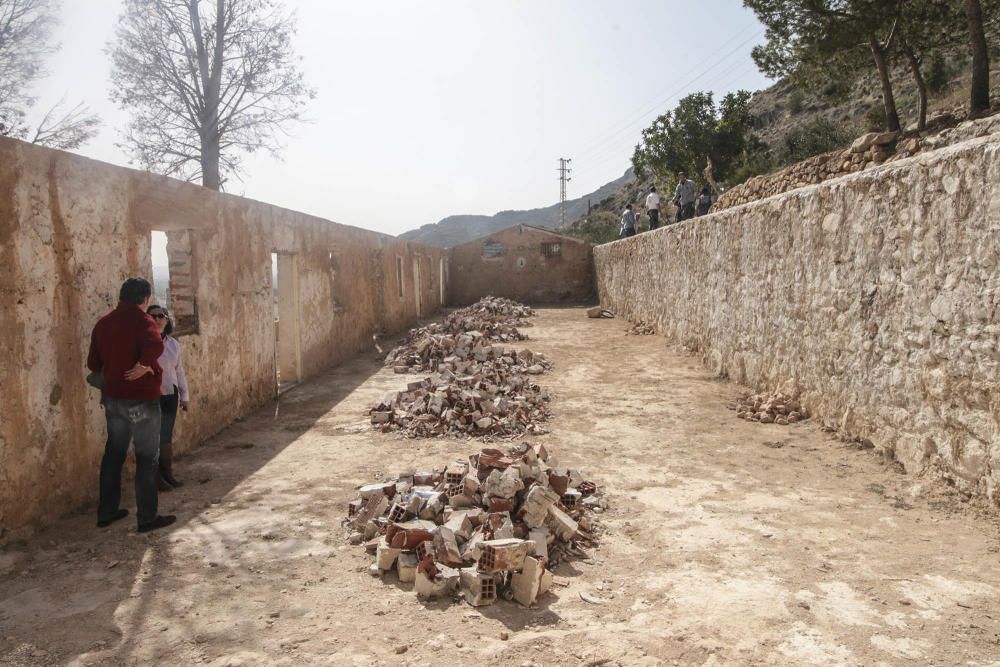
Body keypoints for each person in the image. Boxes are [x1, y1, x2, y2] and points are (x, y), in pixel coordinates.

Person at [87, 278, 176, 533]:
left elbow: (94, 363)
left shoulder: (103, 324)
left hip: (114, 400)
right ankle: (147, 517)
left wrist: (117, 367)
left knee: (114, 453)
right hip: (141, 400)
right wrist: (145, 364)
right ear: (144, 299)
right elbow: (156, 343)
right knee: (147, 457)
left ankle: (107, 512)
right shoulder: (142, 321)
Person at [146, 304, 189, 490]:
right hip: (150, 396)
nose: (157, 319)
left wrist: (185, 395)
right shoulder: (143, 343)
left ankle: (167, 474)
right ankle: (154, 478)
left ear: (167, 319)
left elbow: (178, 371)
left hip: (170, 395)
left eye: (161, 315)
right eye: (153, 315)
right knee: (151, 438)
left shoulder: (173, 345)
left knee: (165, 437)